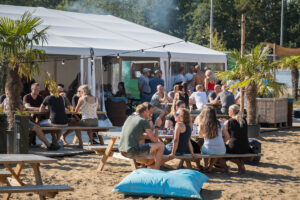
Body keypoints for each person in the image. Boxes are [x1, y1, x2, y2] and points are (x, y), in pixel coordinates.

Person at [119, 104, 165, 169]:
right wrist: (157, 126)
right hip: (132, 151)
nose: (149, 114)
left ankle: (148, 164)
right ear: (143, 112)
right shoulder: (143, 121)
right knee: (161, 145)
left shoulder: (129, 118)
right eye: (148, 112)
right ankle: (157, 169)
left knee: (144, 141)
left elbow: (137, 135)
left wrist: (147, 136)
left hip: (122, 150)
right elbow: (154, 140)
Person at [198, 105, 230, 172]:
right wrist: (223, 142)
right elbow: (227, 137)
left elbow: (200, 136)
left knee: (204, 149)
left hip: (208, 149)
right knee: (216, 152)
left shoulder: (202, 124)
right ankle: (210, 167)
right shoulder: (220, 123)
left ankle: (206, 165)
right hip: (221, 150)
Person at [224, 104, 250, 173]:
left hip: (234, 147)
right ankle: (240, 164)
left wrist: (223, 142)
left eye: (229, 110)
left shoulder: (229, 121)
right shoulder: (244, 120)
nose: (228, 112)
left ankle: (239, 164)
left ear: (232, 111)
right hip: (245, 146)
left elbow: (226, 136)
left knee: (221, 150)